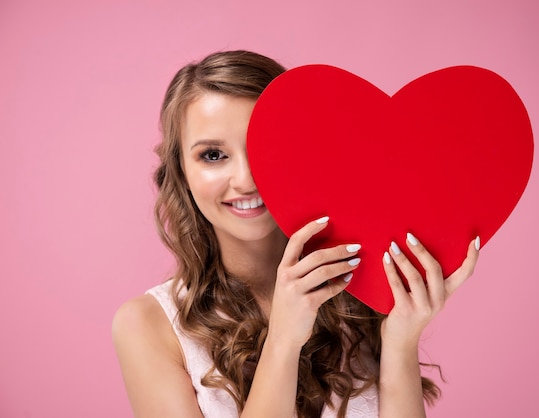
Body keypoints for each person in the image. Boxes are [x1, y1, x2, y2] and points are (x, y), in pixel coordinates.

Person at [112, 50, 479, 418]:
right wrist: (284, 340)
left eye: (262, 147)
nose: (245, 180)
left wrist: (401, 340)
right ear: (181, 171)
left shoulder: (366, 288)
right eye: (212, 155)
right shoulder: (148, 326)